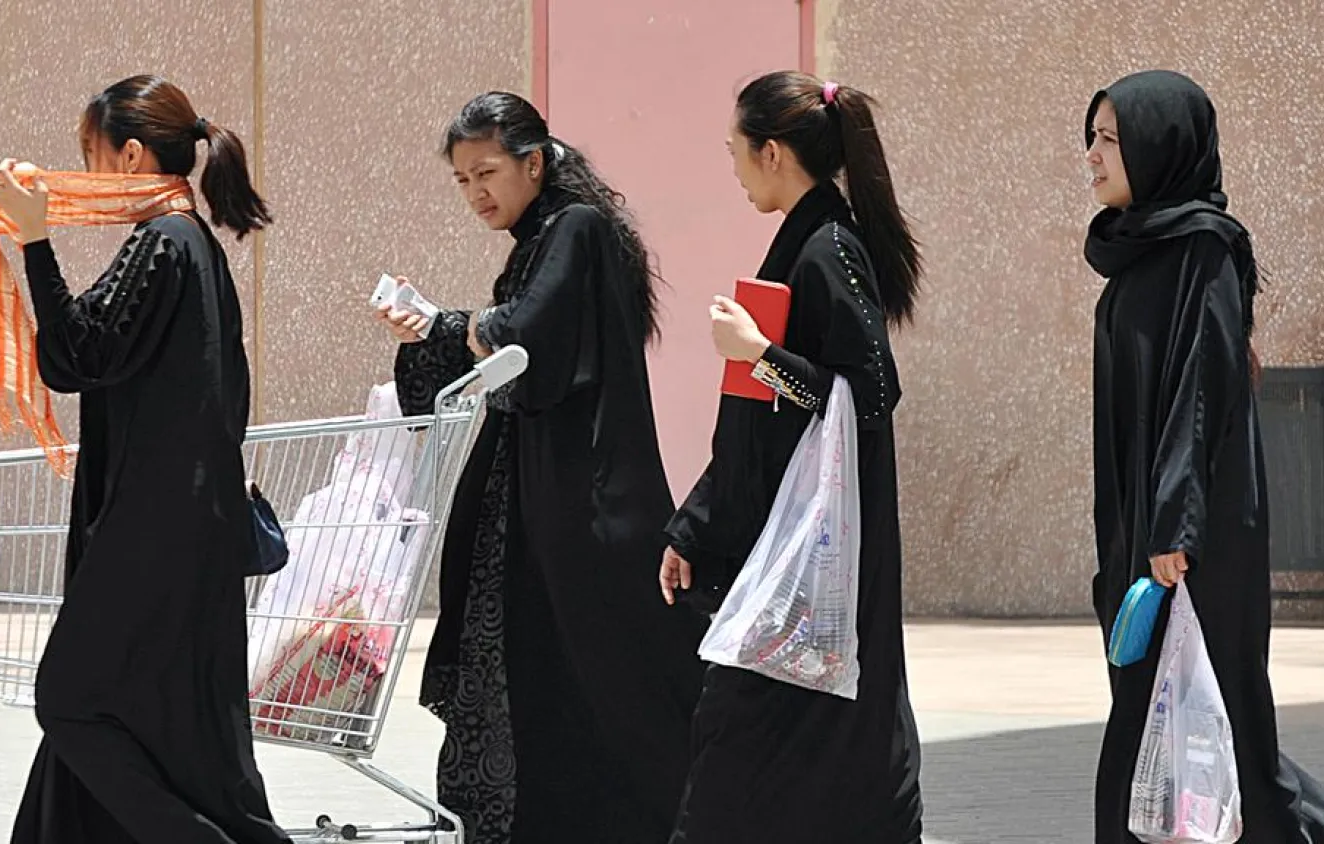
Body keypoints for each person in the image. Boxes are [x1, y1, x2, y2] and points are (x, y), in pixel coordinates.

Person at [373, 91, 706, 844]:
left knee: (603, 665)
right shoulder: (542, 237)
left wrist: (445, 327)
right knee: (538, 664)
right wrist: (441, 334)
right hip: (531, 495)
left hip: (576, 498)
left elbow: (526, 341)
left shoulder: (574, 229)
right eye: (461, 180)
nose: (476, 193)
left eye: (486, 172)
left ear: (534, 162)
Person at [0, 75, 290, 844]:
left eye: (87, 156)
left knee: (73, 699)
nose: (80, 172)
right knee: (155, 726)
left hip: (157, 533)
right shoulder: (187, 246)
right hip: (180, 529)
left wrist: (34, 237)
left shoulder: (166, 241)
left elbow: (76, 355)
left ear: (128, 156)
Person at [1084, 69, 1324, 844]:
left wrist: (1175, 523)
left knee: (1198, 705)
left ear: (1158, 146)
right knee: (1208, 712)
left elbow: (1197, 393)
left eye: (1111, 138)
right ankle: (1313, 827)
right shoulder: (1141, 250)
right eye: (1095, 136)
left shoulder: (1202, 250)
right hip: (1149, 522)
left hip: (1192, 526)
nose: (1093, 155)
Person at [658, 70, 925, 843]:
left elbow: (871, 394)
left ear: (772, 152)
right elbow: (760, 428)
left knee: (743, 740)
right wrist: (692, 527)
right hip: (784, 545)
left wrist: (759, 351)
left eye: (736, 152)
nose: (735, 169)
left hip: (812, 554)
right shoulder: (808, 241)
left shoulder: (826, 249)